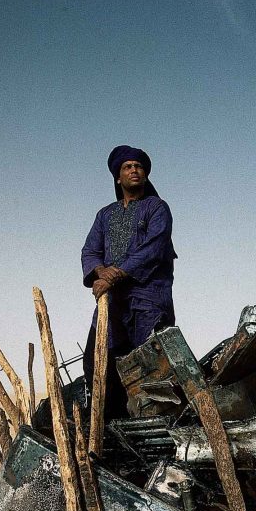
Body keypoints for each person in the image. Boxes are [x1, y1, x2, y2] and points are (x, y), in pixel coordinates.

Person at [81, 145, 177, 416]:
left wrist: (114, 275)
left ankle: (154, 433)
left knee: (149, 368)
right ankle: (109, 430)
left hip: (149, 300)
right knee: (97, 364)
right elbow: (90, 251)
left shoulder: (157, 208)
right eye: (127, 167)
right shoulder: (105, 214)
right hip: (111, 304)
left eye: (139, 166)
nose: (134, 170)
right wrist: (100, 272)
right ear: (118, 178)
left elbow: (153, 249)